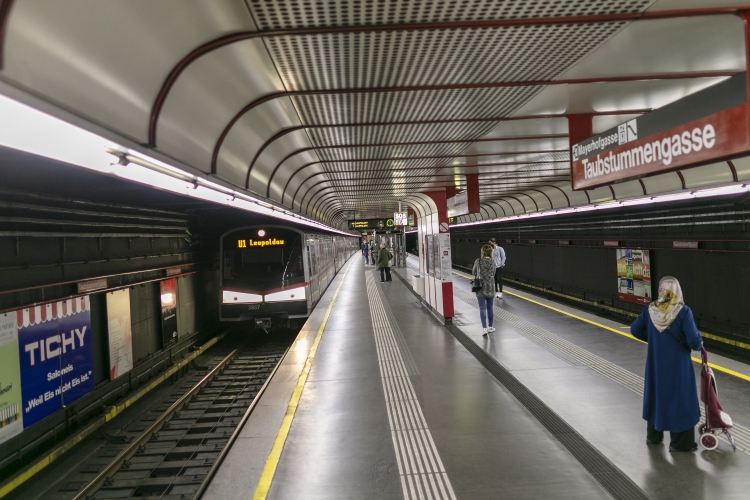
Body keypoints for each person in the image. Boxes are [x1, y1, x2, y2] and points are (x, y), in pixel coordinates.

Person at [630, 276, 703, 452]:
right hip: (678, 366)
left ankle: (653, 437)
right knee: (681, 399)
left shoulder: (650, 311)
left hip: (656, 364)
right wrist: (699, 342)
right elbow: (694, 341)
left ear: (662, 291)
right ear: (677, 291)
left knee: (657, 395)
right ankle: (680, 444)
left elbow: (634, 329)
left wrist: (653, 340)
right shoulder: (683, 311)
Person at [472, 244, 496, 335]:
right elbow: (493, 273)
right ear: (491, 252)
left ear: (482, 252)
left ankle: (484, 328)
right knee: (490, 308)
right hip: (490, 286)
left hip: (480, 286)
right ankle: (490, 326)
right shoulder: (493, 262)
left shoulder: (478, 261)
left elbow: (474, 272)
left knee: (482, 308)